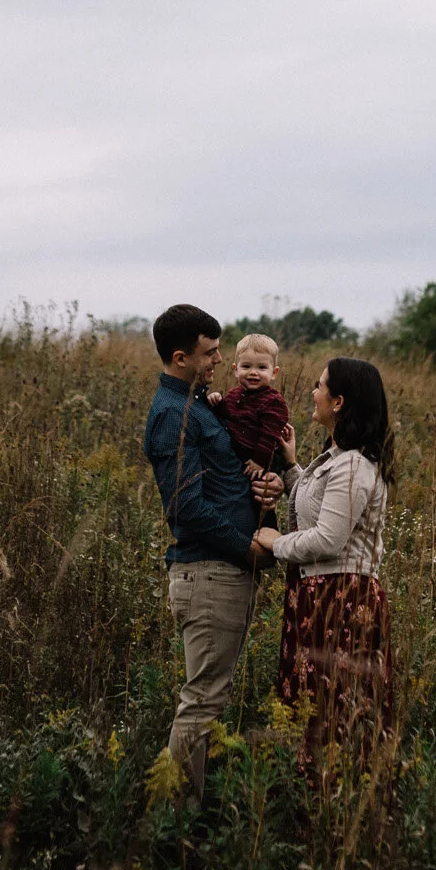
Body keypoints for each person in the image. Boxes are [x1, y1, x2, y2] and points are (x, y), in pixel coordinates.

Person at [144, 303, 282, 800]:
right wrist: (246, 548)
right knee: (202, 703)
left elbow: (228, 478)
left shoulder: (203, 405)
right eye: (210, 353)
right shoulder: (170, 415)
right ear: (180, 357)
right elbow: (184, 506)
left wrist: (271, 485)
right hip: (208, 574)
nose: (221, 360)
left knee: (209, 700)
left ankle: (185, 812)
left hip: (224, 573)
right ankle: (171, 823)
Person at [252, 356, 395, 775]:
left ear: (338, 402)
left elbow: (330, 539)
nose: (312, 392)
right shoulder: (337, 458)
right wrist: (292, 471)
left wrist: (278, 544)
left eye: (319, 386)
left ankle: (335, 804)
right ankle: (312, 803)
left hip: (342, 602)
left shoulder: (354, 465)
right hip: (317, 596)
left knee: (336, 708)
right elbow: (320, 512)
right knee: (311, 706)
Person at [206, 332, 295, 529]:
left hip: (257, 458)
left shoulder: (273, 401)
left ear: (274, 372)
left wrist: (259, 461)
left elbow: (269, 435)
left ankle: (266, 533)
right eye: (246, 367)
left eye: (262, 367)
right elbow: (225, 414)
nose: (253, 372)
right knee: (240, 500)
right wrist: (216, 402)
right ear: (236, 370)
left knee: (260, 499)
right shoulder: (234, 394)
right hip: (237, 454)